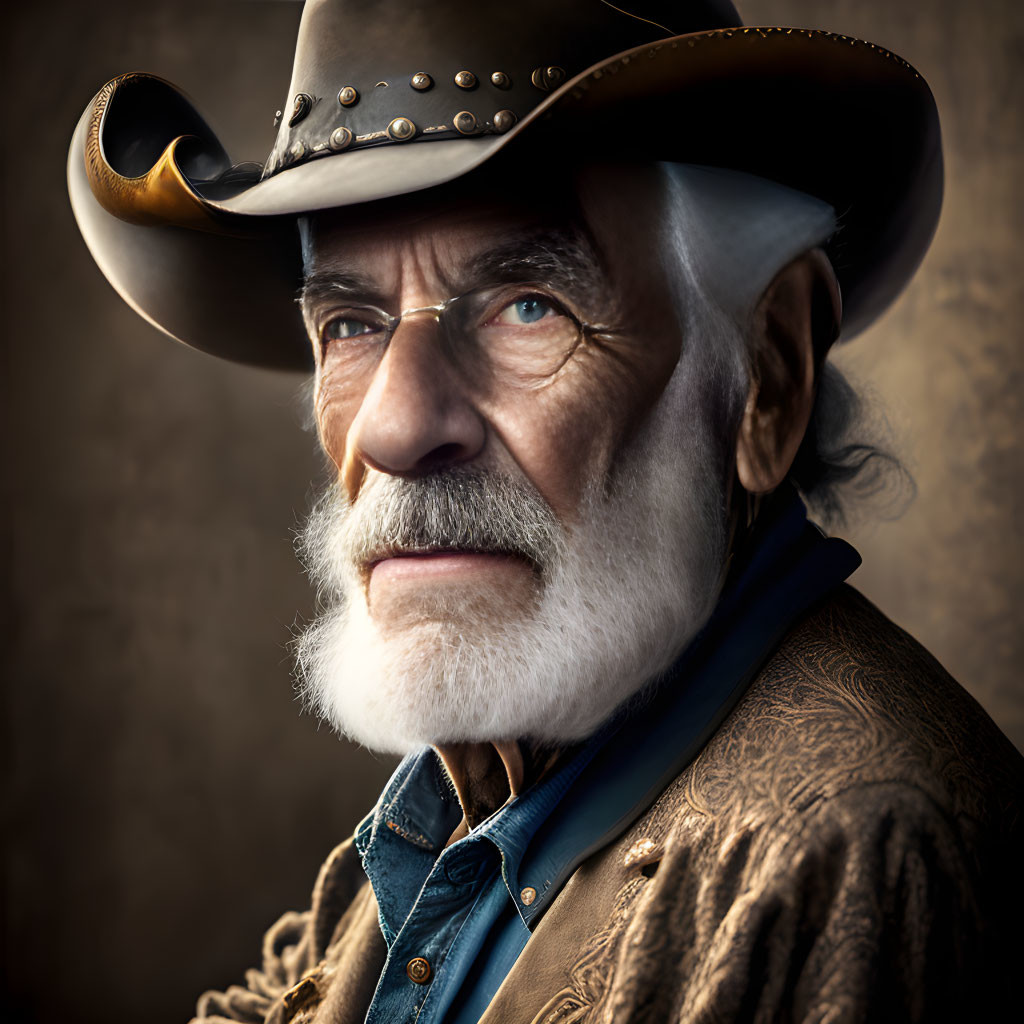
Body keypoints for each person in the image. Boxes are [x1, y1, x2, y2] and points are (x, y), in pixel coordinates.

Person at [67, 1, 1023, 1021]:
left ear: (768, 377)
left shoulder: (863, 850)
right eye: (349, 322)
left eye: (529, 304)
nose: (393, 426)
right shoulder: (471, 788)